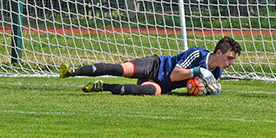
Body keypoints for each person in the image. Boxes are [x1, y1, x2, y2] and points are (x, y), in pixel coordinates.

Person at [58, 36, 241, 96]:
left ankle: (102, 86)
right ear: (218, 53)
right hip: (156, 66)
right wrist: (197, 71)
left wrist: (208, 89)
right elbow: (175, 75)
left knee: (143, 91)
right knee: (120, 69)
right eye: (229, 58)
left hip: (163, 85)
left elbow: (192, 87)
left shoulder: (216, 73)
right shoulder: (197, 54)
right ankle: (73, 72)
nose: (231, 63)